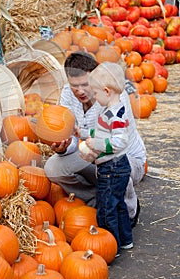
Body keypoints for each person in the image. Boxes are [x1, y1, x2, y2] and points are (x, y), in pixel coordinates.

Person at [44, 51, 146, 227]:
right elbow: (71, 136)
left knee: (113, 163)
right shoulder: (68, 95)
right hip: (91, 154)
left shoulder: (114, 94)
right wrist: (64, 147)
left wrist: (81, 135)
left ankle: (130, 209)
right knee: (53, 168)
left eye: (85, 84)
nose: (80, 91)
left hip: (126, 159)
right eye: (75, 85)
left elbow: (117, 139)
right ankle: (97, 197)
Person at [79, 61, 133, 256]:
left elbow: (118, 142)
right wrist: (87, 134)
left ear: (107, 91)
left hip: (112, 169)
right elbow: (102, 132)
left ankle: (111, 246)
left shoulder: (117, 116)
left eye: (95, 93)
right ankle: (125, 240)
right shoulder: (110, 111)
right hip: (115, 167)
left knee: (106, 208)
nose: (93, 97)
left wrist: (96, 145)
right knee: (118, 205)